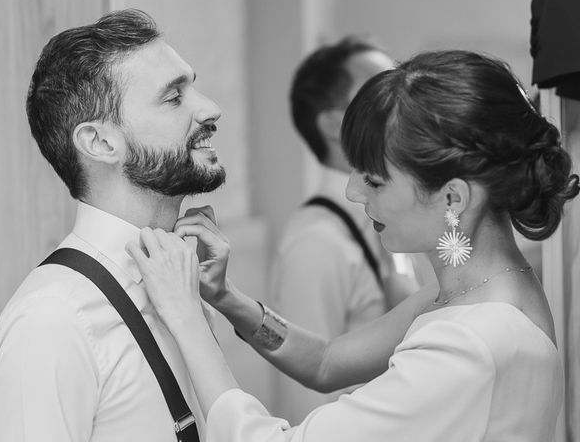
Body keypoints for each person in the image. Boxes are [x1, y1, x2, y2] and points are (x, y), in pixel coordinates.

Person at [127, 50, 579, 441]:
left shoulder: (473, 343)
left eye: (375, 180)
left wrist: (186, 318)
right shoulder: (476, 292)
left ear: (453, 197)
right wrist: (226, 299)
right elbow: (327, 363)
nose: (352, 192)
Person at [0, 9, 225, 441]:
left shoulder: (184, 282)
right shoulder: (51, 323)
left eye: (193, 86)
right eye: (174, 97)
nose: (210, 109)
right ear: (100, 143)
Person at [273, 37, 423, 422]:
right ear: (333, 123)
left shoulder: (412, 217)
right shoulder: (315, 243)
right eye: (379, 89)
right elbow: (306, 401)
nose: (401, 101)